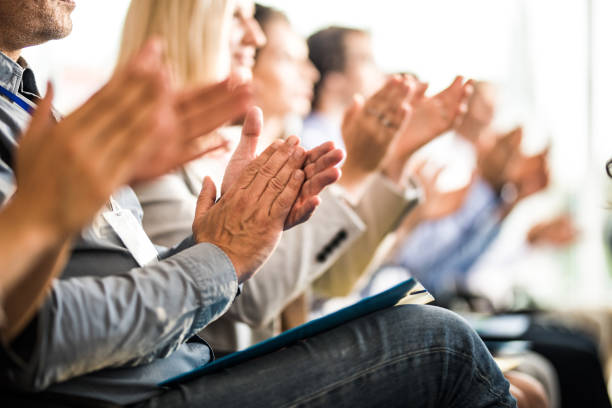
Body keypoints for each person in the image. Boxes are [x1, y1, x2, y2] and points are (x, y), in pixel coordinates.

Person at [0, 1, 519, 407]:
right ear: (193, 26)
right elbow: (36, 330)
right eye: (240, 16)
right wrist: (222, 252)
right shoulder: (150, 147)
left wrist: (212, 245)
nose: (258, 36)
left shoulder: (43, 112)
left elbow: (319, 282)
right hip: (151, 385)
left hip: (176, 369)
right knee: (442, 345)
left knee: (466, 345)